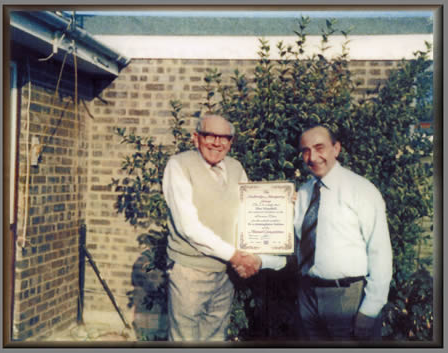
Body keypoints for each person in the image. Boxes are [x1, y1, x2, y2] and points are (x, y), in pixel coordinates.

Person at [162, 113, 285, 341]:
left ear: (231, 142)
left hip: (225, 273)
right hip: (190, 271)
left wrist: (282, 205)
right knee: (184, 339)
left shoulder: (236, 167)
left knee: (216, 337)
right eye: (211, 136)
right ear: (196, 138)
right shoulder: (179, 165)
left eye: (225, 138)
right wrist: (236, 256)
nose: (217, 143)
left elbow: (249, 213)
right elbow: (188, 226)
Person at [294, 124, 393, 341]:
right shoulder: (303, 193)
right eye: (306, 150)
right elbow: (293, 244)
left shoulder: (362, 190)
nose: (313, 157)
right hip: (308, 295)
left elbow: (380, 252)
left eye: (320, 148)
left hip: (348, 297)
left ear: (336, 149)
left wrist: (370, 309)